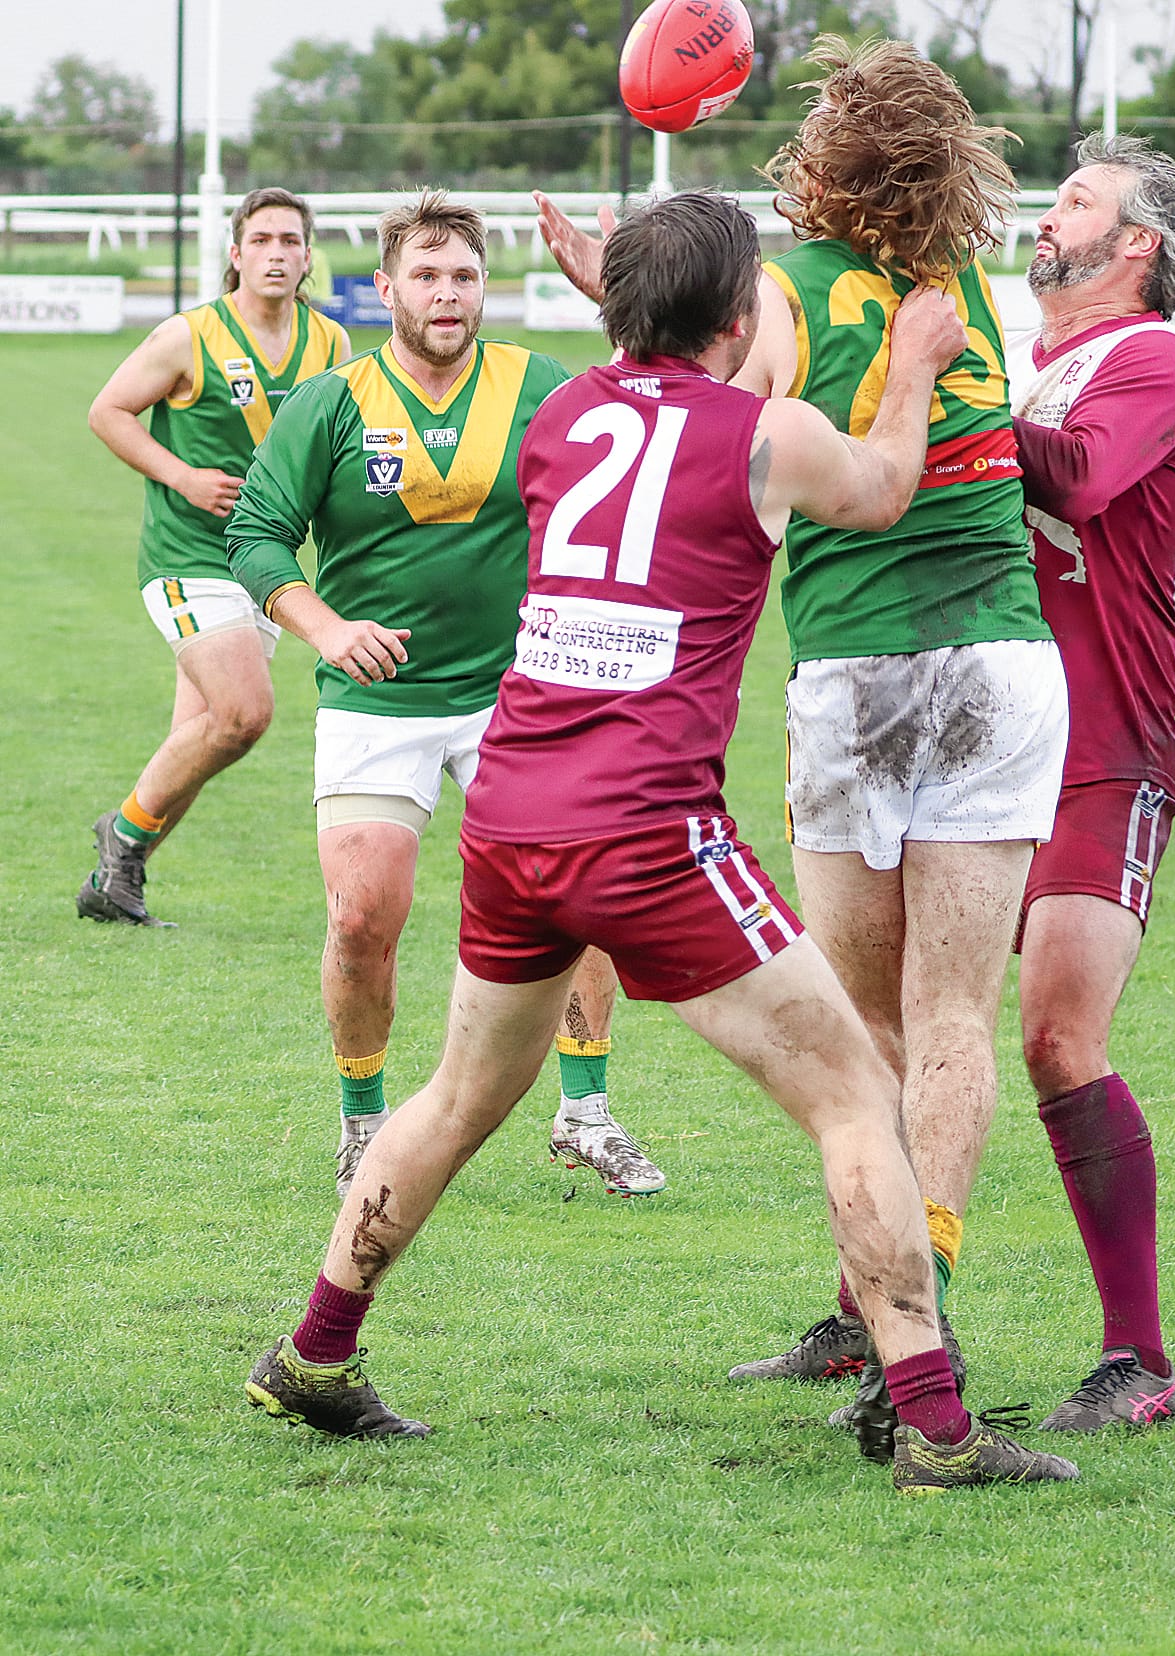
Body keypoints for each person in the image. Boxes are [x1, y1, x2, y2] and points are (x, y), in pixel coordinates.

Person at [243, 190, 1081, 1495]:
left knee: (457, 1099)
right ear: (743, 314)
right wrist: (915, 367)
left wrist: (635, 307)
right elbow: (882, 489)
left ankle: (314, 1352)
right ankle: (936, 1429)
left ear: (624, 310)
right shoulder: (769, 436)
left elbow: (662, 409)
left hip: (515, 807)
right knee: (859, 1097)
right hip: (648, 825)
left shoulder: (560, 414)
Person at [550, 40, 1069, 1428]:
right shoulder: (958, 294)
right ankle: (895, 1320)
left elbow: (704, 418)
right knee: (952, 1022)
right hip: (1001, 667)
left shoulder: (786, 289)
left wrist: (621, 314)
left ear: (827, 162)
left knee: (863, 1034)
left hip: (856, 680)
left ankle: (895, 1332)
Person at [226, 191, 662, 1202]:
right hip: (376, 702)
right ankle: (363, 1120)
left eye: (463, 275)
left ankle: (586, 1110)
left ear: (485, 287)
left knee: (581, 890)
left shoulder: (540, 387)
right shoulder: (330, 404)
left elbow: (655, 415)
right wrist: (327, 629)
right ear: (385, 290)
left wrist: (614, 304)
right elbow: (254, 535)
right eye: (425, 275)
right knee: (361, 918)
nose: (446, 293)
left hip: (519, 694)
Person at [1005, 133, 1175, 1431]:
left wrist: (942, 393)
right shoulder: (1013, 359)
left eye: (1076, 200)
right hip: (971, 738)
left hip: (1102, 745)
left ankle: (1140, 1359)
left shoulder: (1155, 361)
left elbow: (1078, 481)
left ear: (1137, 244)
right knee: (904, 1031)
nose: (1049, 214)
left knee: (1056, 1038)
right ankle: (873, 1323)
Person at [78, 186, 349, 928]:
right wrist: (182, 477)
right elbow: (107, 411)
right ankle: (122, 834)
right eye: (261, 240)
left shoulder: (330, 343)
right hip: (187, 558)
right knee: (244, 713)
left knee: (196, 740)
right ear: (235, 254)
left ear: (308, 257)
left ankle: (113, 884)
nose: (276, 254)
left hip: (263, 565)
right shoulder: (189, 335)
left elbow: (329, 446)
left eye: (290, 241)